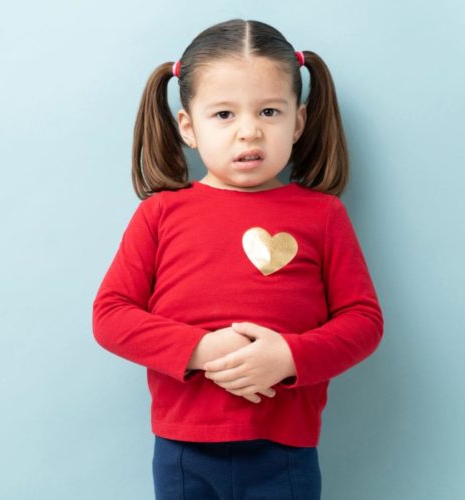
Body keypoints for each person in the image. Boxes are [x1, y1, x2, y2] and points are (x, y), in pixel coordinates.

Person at [92, 18, 383, 500]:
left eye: (269, 111)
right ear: (188, 126)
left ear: (299, 121)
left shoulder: (324, 215)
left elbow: (363, 321)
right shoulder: (161, 214)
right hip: (184, 449)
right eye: (224, 115)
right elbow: (111, 316)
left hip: (284, 450)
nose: (249, 132)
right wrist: (204, 352)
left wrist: (289, 357)